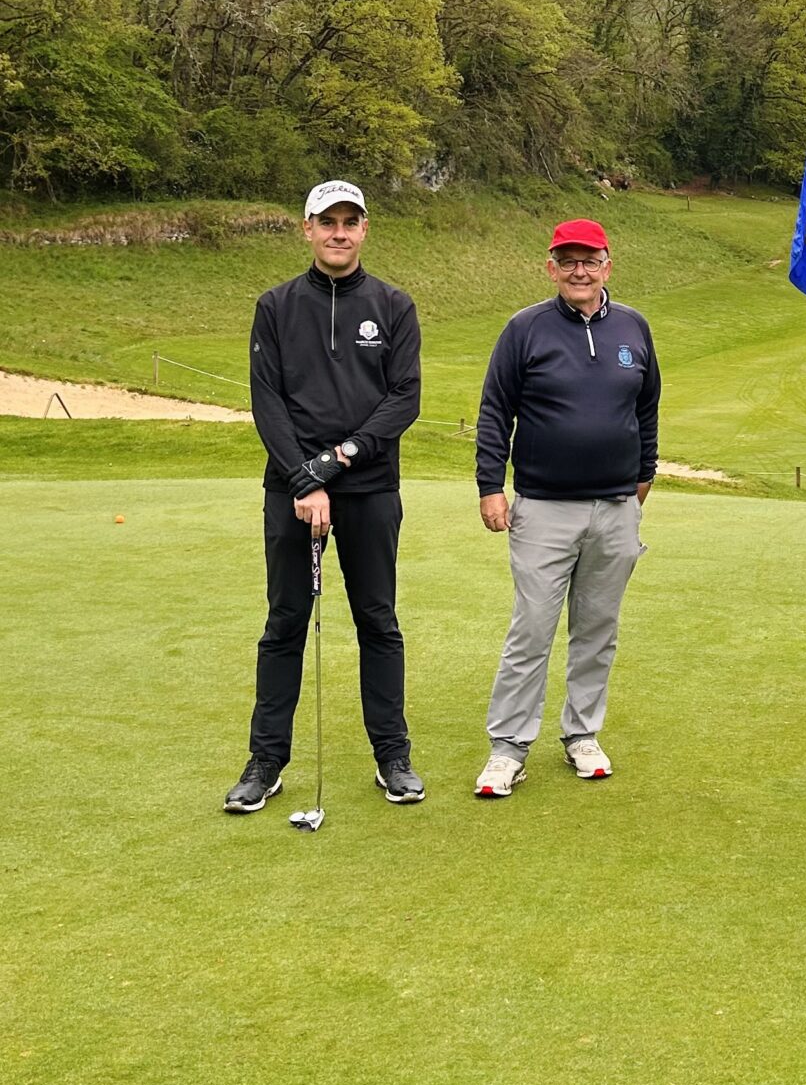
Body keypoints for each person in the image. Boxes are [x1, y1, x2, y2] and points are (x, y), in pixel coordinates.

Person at [224, 179, 425, 813]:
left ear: (365, 229)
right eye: (327, 221)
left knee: (378, 621)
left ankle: (392, 756)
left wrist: (337, 460)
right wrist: (304, 479)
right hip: (292, 490)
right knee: (284, 622)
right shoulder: (275, 306)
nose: (339, 232)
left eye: (350, 221)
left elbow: (404, 399)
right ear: (307, 228)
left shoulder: (394, 305)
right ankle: (266, 762)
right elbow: (267, 400)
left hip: (370, 488)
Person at [473, 218, 660, 798]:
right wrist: (490, 484)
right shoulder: (525, 328)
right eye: (568, 261)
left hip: (615, 506)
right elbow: (495, 409)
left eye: (590, 260)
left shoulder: (633, 326)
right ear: (551, 268)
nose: (580, 271)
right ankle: (508, 747)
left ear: (608, 265)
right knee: (531, 630)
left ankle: (582, 734)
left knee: (597, 630)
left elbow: (647, 408)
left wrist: (644, 476)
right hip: (543, 506)